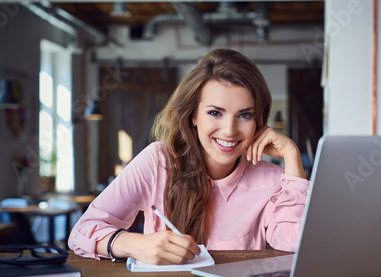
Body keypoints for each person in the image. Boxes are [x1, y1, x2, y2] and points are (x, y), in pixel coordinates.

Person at [68, 48, 310, 265]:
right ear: (193, 115)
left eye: (245, 115)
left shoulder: (273, 180)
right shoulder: (158, 161)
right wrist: (134, 245)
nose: (229, 130)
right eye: (215, 112)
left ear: (259, 121)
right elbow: (81, 233)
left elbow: (296, 243)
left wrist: (292, 155)